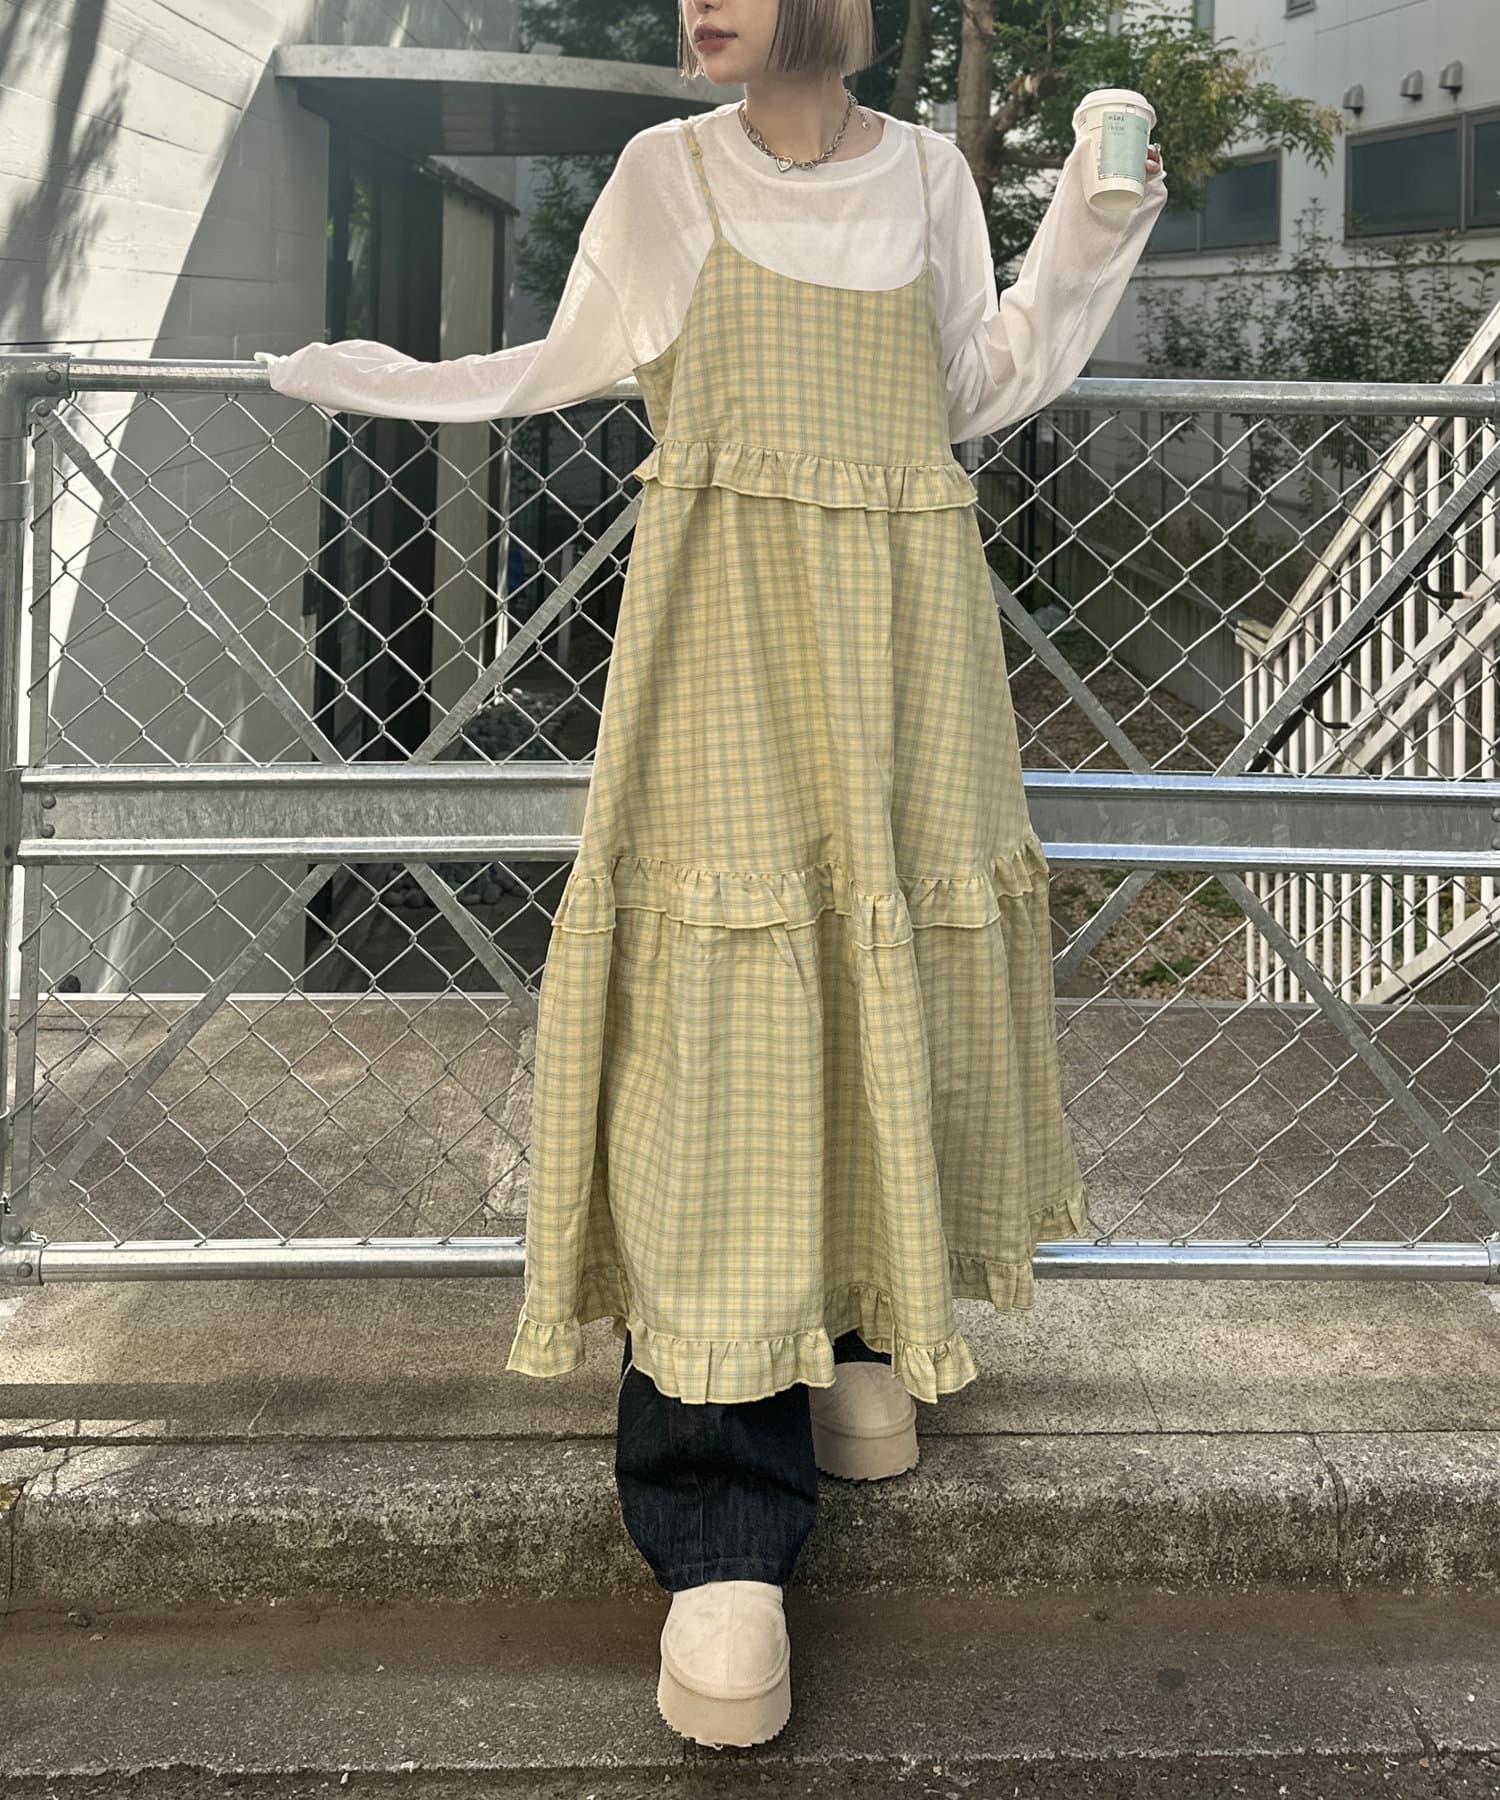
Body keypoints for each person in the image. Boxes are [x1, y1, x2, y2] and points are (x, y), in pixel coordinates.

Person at [256, 0, 1166, 1753]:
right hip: (730, 651)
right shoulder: (666, 175)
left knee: (880, 975)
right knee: (725, 1040)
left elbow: (971, 386)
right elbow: (554, 364)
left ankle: (863, 1335)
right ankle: (723, 1517)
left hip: (905, 656)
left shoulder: (929, 175)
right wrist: (362, 373)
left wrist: (1094, 220)